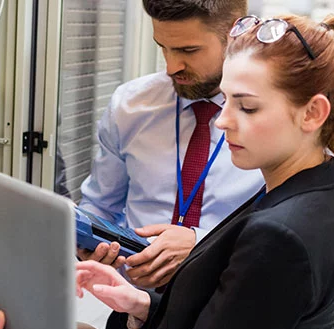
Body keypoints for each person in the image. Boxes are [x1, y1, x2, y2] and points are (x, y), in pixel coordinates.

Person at [0, 13, 334, 329]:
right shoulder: (296, 195)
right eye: (226, 101)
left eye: (247, 106)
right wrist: (141, 307)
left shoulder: (282, 235)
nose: (222, 120)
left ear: (313, 113)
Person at [76, 0, 264, 288]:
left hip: (226, 305)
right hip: (124, 299)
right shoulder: (130, 106)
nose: (171, 66)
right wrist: (90, 244)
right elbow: (101, 204)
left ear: (235, 34)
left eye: (188, 50)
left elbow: (298, 232)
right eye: (162, 46)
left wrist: (202, 244)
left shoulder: (276, 122)